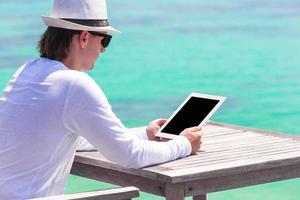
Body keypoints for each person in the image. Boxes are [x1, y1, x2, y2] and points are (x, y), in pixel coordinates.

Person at [0, 0, 202, 199]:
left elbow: (71, 138)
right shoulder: (74, 84)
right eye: (104, 40)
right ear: (84, 37)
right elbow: (129, 156)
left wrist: (144, 135)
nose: (104, 49)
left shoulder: (27, 72)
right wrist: (184, 144)